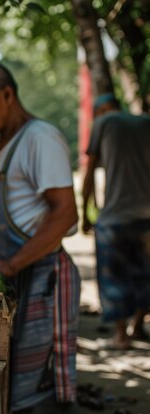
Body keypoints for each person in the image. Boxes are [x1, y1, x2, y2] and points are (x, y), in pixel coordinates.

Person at [0, 62, 81, 414]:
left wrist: (11, 262)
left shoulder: (39, 138)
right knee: (15, 375)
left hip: (43, 274)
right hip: (17, 275)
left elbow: (65, 214)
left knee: (41, 385)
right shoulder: (2, 143)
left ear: (7, 94)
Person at [81, 93, 150, 349]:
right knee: (145, 274)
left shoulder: (103, 122)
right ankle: (139, 328)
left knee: (114, 276)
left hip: (115, 217)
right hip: (146, 216)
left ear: (100, 111)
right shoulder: (145, 122)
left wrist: (86, 212)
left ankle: (121, 335)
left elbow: (89, 171)